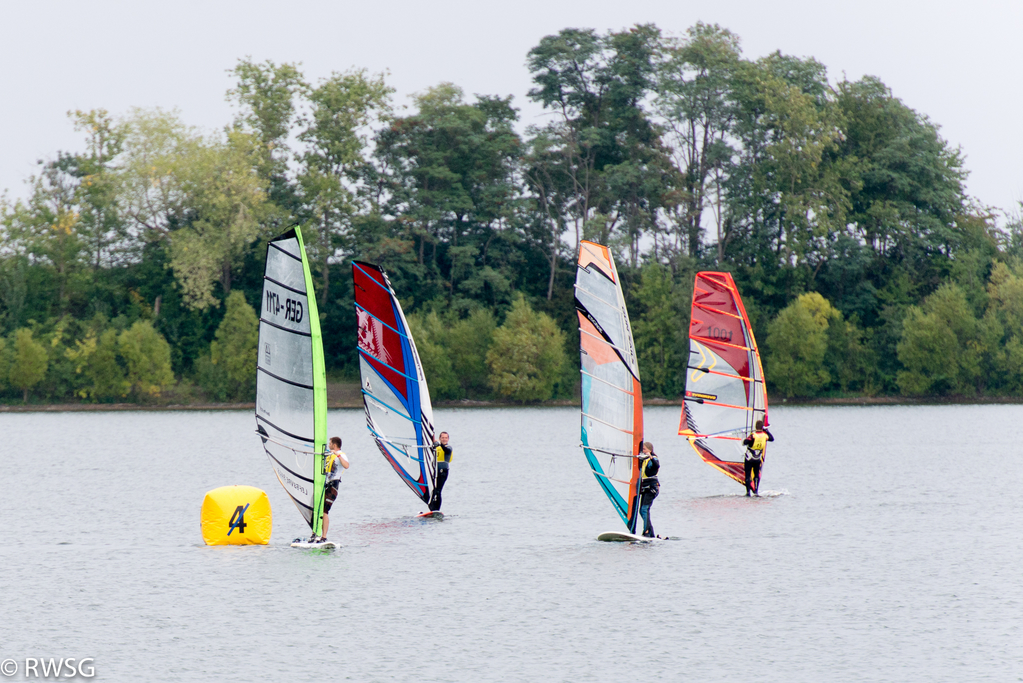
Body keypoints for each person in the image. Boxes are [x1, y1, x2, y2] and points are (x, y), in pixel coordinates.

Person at [319, 436, 349, 541]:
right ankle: (317, 533)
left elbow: (346, 466)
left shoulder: (342, 455)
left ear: (334, 445)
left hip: (333, 487)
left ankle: (324, 537)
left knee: (325, 511)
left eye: (330, 443)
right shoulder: (330, 454)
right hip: (325, 485)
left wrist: (338, 455)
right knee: (319, 509)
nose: (328, 444)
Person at [741, 420, 773, 497]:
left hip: (749, 458)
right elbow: (772, 438)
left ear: (755, 427)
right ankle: (756, 491)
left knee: (748, 474)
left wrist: (743, 435)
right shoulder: (765, 436)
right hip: (757, 458)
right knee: (756, 475)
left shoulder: (753, 436)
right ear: (762, 427)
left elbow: (744, 442)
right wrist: (766, 431)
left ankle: (748, 492)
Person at [638, 442, 660, 538]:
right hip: (645, 487)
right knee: (641, 510)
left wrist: (650, 456)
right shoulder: (643, 460)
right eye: (642, 449)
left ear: (650, 450)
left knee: (644, 509)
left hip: (652, 487)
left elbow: (656, 466)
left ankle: (646, 531)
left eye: (645, 449)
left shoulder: (653, 459)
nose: (643, 451)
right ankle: (651, 533)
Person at [428, 431, 452, 512]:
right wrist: (433, 443)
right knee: (433, 490)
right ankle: (431, 508)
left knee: (438, 491)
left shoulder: (449, 447)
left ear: (448, 439)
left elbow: (445, 450)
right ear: (440, 438)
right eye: (443, 438)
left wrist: (439, 443)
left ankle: (436, 509)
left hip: (443, 471)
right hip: (435, 471)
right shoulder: (437, 447)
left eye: (446, 438)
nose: (444, 439)